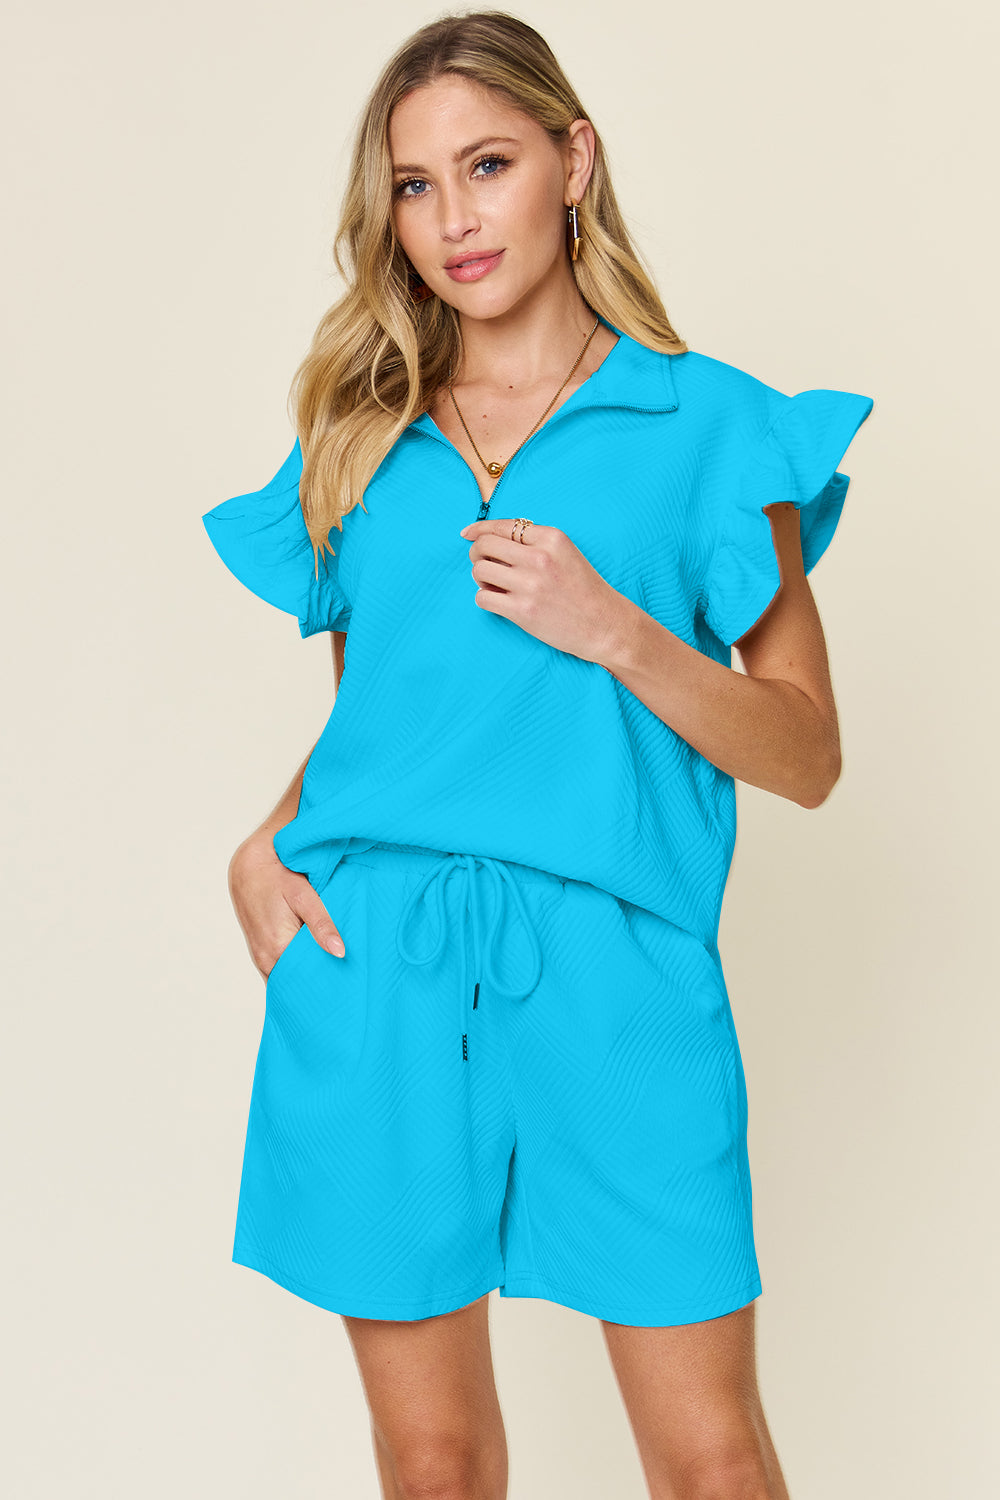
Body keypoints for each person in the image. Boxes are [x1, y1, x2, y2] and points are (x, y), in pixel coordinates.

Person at [201, 11, 873, 1499]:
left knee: (707, 1457)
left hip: (619, 971)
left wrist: (617, 630)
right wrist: (265, 839)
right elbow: (391, 718)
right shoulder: (361, 441)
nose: (454, 221)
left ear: (574, 160)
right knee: (432, 1462)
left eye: (487, 165)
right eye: (417, 188)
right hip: (377, 964)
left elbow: (810, 754)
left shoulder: (709, 425)